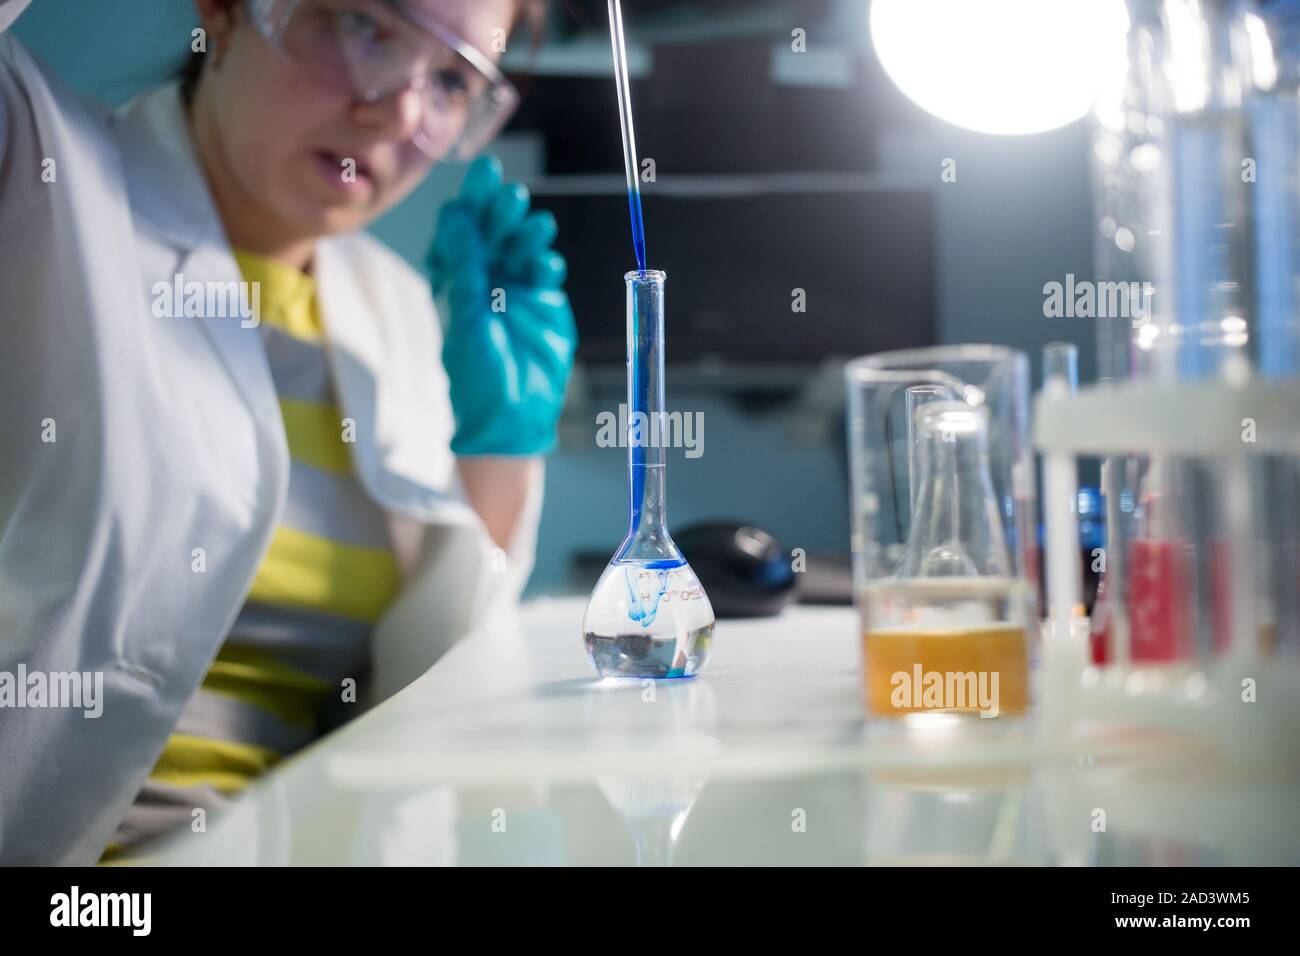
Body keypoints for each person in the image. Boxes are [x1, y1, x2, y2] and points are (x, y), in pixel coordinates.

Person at [0, 0, 577, 864]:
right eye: (368, 27)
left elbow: (444, 711)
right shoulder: (39, 172)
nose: (400, 112)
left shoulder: (403, 314)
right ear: (224, 14)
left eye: (452, 79)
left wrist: (501, 454)